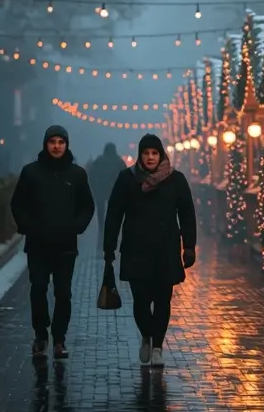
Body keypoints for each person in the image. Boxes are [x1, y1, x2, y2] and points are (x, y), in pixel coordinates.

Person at [103, 133, 196, 367]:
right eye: (146, 153)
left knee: (163, 300)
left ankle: (157, 346)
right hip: (136, 248)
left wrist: (190, 246)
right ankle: (147, 335)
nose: (151, 157)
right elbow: (114, 213)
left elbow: (187, 213)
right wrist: (109, 246)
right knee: (141, 300)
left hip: (165, 248)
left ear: (161, 154)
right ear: (140, 155)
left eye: (155, 153)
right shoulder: (127, 179)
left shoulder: (176, 180)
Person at [11, 124, 95, 360]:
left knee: (63, 293)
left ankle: (59, 339)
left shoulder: (77, 174)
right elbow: (17, 203)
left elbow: (87, 206)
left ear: (66, 144)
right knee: (38, 289)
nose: (56, 146)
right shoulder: (31, 172)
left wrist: (76, 227)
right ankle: (40, 335)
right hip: (37, 244)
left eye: (60, 142)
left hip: (65, 245)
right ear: (46, 144)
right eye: (52, 142)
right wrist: (28, 225)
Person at [89, 141, 126, 240]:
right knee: (112, 211)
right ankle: (111, 227)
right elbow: (125, 176)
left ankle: (102, 228)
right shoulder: (119, 161)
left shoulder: (99, 160)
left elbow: (92, 175)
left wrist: (93, 187)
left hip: (100, 190)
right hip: (113, 190)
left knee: (101, 211)